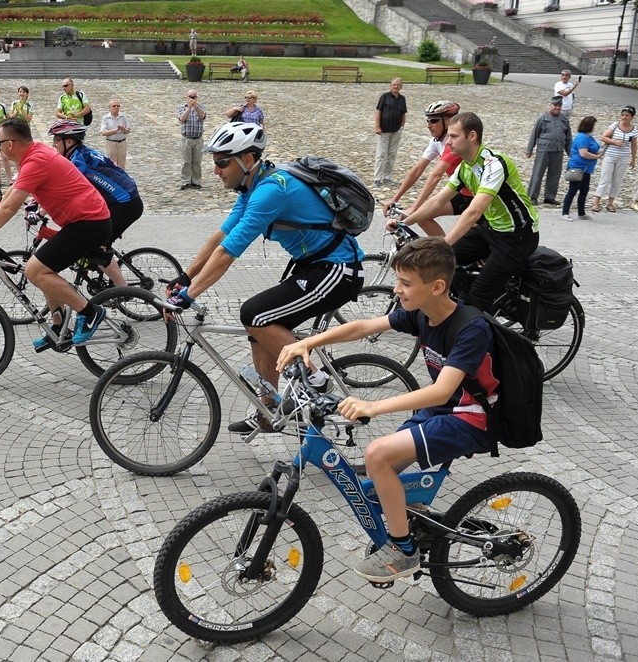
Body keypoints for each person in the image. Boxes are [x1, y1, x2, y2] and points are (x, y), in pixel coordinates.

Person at [276, 236, 496, 583]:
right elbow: (365, 327)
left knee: (377, 455)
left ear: (437, 287)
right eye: (397, 280)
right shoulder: (420, 314)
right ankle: (414, 516)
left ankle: (403, 550)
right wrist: (306, 342)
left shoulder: (471, 328)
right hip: (447, 410)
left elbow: (442, 389)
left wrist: (373, 405)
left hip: (475, 417)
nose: (397, 290)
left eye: (406, 283)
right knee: (382, 476)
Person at [165, 122, 364, 433]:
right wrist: (185, 277)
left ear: (247, 160)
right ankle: (268, 410)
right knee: (259, 326)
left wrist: (189, 295)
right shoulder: (253, 187)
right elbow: (221, 236)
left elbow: (228, 253)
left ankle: (317, 380)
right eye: (214, 162)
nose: (216, 170)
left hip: (338, 270)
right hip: (312, 266)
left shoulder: (270, 191)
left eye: (221, 162)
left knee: (254, 314)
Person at [0, 118, 113, 350]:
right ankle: (58, 325)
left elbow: (10, 207)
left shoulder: (36, 161)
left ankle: (91, 312)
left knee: (35, 270)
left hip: (89, 223)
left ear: (10, 144)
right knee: (43, 269)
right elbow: (11, 195)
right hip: (85, 220)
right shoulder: (35, 154)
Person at [397, 112, 539, 313]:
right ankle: (462, 307)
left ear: (471, 136)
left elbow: (474, 211)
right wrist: (407, 220)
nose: (448, 142)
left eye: (454, 136)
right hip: (491, 229)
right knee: (445, 264)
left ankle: (484, 335)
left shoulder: (494, 164)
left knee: (479, 295)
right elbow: (438, 201)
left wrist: (444, 244)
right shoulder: (465, 166)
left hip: (517, 236)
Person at [49, 120, 143, 288]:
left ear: (69, 141)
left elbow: (65, 185)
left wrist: (42, 210)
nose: (54, 144)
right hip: (119, 203)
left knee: (97, 247)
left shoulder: (79, 159)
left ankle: (123, 290)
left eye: (56, 139)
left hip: (125, 205)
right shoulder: (82, 153)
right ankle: (95, 271)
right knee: (91, 240)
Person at [382, 100, 465, 237]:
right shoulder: (437, 141)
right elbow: (417, 169)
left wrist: (415, 207)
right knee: (422, 216)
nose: (428, 125)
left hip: (477, 195)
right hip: (461, 192)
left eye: (433, 121)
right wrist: (395, 198)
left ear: (448, 122)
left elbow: (435, 175)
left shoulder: (454, 145)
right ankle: (446, 253)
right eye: (427, 121)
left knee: (470, 236)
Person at [525, 96, 572, 206]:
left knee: (555, 174)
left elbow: (568, 137)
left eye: (559, 106)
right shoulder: (543, 118)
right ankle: (532, 196)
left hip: (558, 150)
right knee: (538, 173)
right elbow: (534, 134)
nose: (557, 108)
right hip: (544, 149)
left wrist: (571, 152)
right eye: (555, 105)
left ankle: (550, 197)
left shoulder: (564, 120)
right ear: (550, 105)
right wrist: (529, 149)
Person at [591, 105, 638, 213]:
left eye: (627, 115)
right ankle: (596, 202)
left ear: (632, 117)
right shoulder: (615, 126)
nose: (624, 117)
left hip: (623, 157)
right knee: (605, 178)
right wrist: (614, 142)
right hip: (610, 155)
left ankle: (610, 202)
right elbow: (604, 137)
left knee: (617, 180)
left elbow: (634, 145)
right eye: (623, 115)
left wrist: (633, 159)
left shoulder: (634, 130)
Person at [561, 116, 601, 222]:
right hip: (578, 168)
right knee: (572, 190)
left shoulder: (589, 137)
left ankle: (581, 212)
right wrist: (596, 156)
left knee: (584, 191)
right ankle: (565, 212)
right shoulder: (582, 137)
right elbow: (583, 153)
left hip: (586, 169)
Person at [374, 77, 407, 188]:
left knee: (392, 154)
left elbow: (403, 113)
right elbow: (379, 111)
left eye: (398, 85)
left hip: (396, 130)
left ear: (401, 86)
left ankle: (387, 177)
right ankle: (377, 178)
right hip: (384, 130)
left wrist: (402, 126)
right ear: (390, 85)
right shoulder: (384, 97)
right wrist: (377, 126)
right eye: (394, 85)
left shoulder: (402, 99)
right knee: (381, 155)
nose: (396, 87)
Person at [178, 88, 207, 190]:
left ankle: (196, 181)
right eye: (190, 97)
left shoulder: (201, 107)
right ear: (187, 97)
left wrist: (195, 107)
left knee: (197, 161)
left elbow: (202, 116)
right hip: (186, 139)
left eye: (194, 97)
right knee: (186, 161)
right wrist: (189, 109)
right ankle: (186, 181)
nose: (192, 99)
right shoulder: (182, 108)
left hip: (198, 139)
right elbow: (182, 119)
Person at [99, 98, 130, 168]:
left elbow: (128, 130)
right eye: (114, 106)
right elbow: (103, 132)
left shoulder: (123, 116)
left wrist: (123, 129)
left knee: (122, 164)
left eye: (118, 106)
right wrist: (115, 130)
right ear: (109, 108)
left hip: (122, 143)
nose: (116, 107)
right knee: (111, 164)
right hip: (111, 143)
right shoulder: (106, 118)